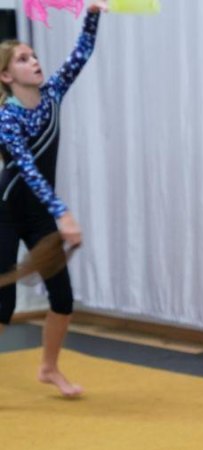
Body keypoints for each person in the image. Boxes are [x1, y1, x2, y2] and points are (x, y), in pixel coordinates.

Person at [0, 1, 108, 397]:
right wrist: (63, 213)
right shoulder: (7, 118)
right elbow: (27, 170)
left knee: (62, 300)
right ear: (6, 75)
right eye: (23, 59)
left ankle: (48, 368)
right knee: (3, 306)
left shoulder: (52, 95)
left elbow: (81, 52)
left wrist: (92, 13)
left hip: (40, 214)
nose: (34, 61)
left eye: (33, 55)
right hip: (7, 213)